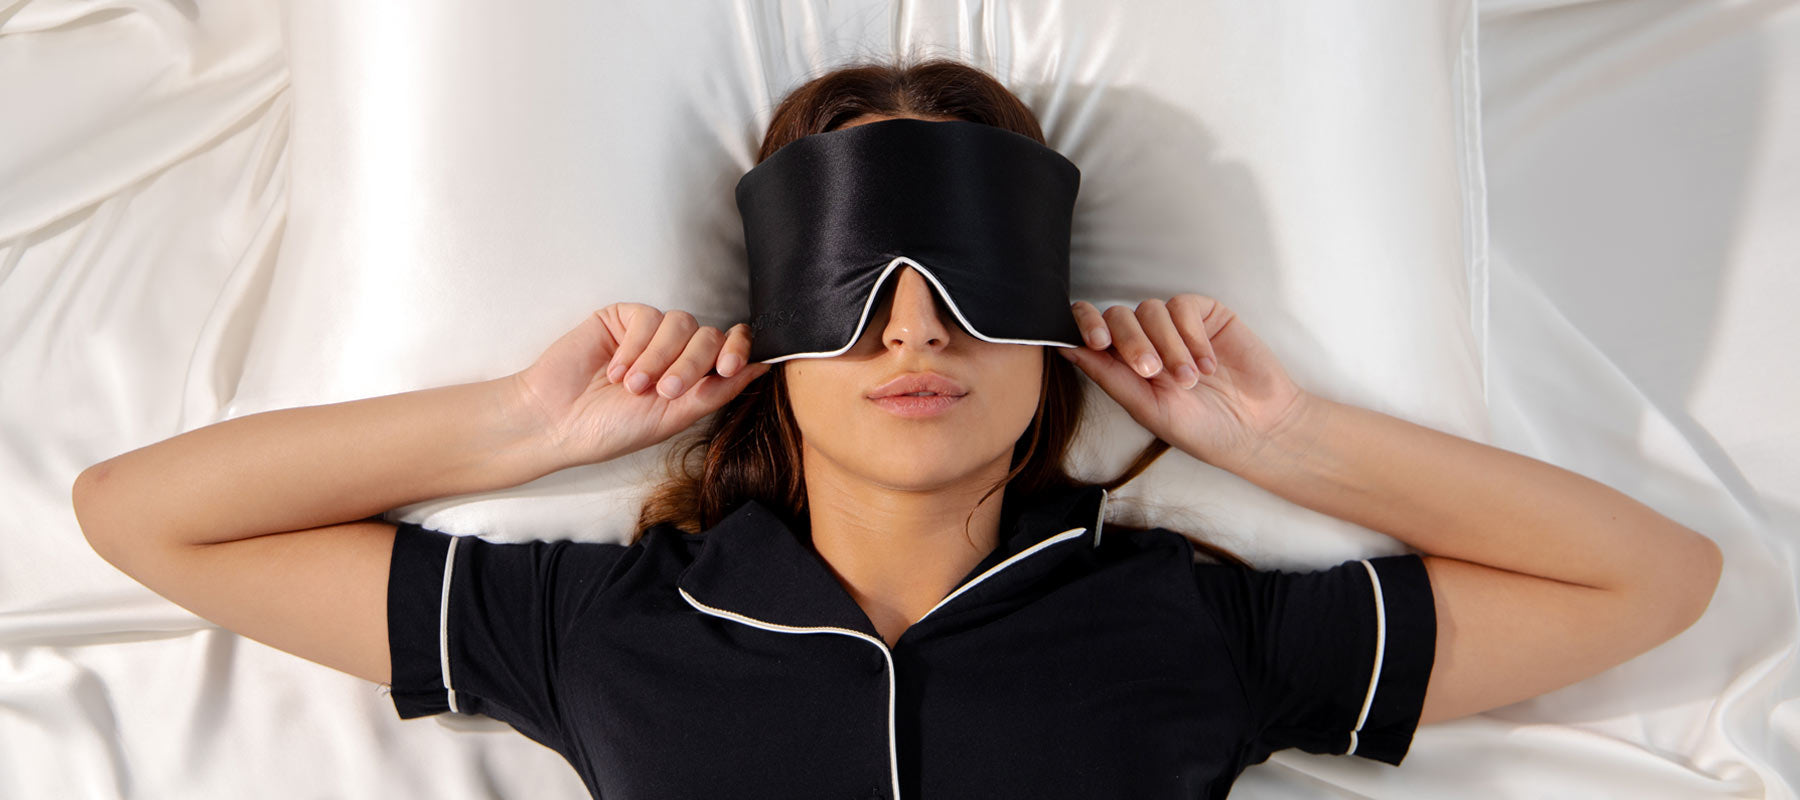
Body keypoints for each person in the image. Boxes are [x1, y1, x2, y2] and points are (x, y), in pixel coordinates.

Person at [71, 58, 1722, 799]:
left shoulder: (1189, 628)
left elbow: (1652, 580)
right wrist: (520, 426)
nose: (915, 332)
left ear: (1050, 346)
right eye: (855, 301)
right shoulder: (609, 627)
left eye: (966, 295)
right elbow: (142, 517)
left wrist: (1276, 441)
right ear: (773, 350)